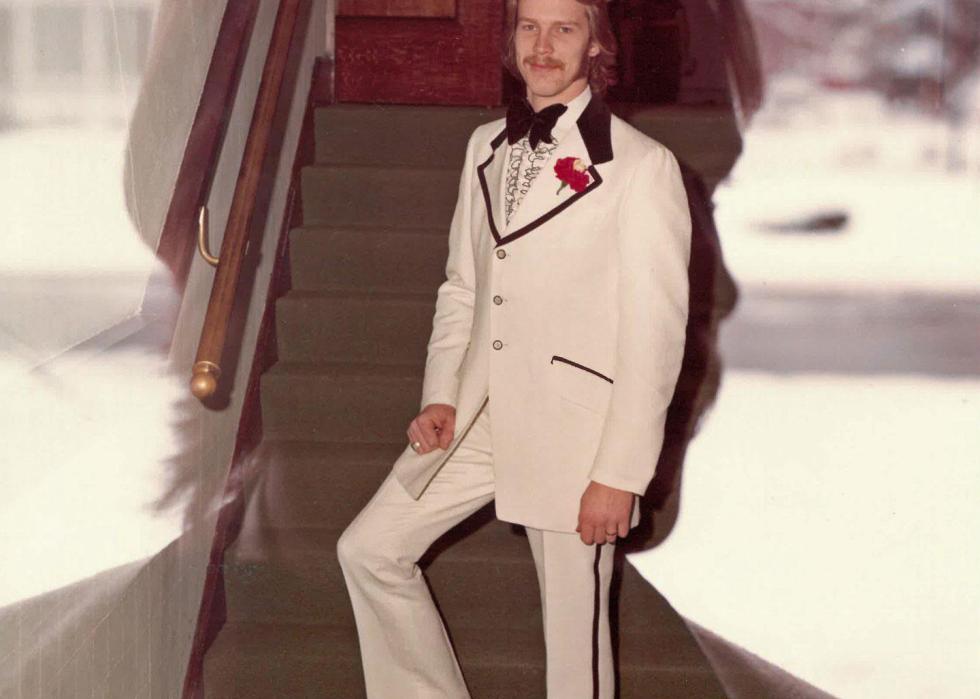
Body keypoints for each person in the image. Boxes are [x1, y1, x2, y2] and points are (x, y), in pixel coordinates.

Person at [336, 0, 692, 696]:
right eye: (529, 26)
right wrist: (440, 393)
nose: (543, 44)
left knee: (573, 645)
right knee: (370, 550)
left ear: (596, 44)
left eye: (565, 27)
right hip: (480, 414)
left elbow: (656, 335)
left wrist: (620, 472)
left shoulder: (641, 168)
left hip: (576, 430)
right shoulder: (484, 146)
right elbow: (463, 286)